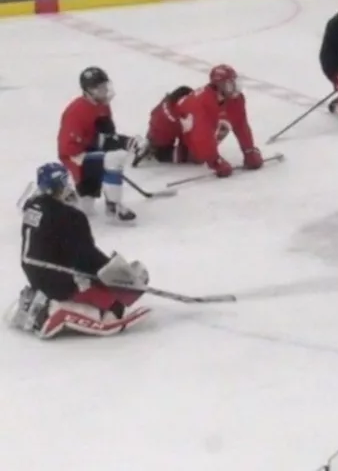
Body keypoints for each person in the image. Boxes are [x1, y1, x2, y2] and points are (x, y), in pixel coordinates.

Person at [6, 163, 151, 339]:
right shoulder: (71, 217)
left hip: (34, 273)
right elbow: (85, 257)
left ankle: (41, 300)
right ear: (59, 185)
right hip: (58, 279)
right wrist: (112, 273)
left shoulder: (32, 206)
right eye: (65, 182)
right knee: (112, 304)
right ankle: (56, 308)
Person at [142, 66, 264, 177]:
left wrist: (249, 150)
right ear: (219, 86)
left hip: (187, 123)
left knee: (198, 155)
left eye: (235, 83)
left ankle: (183, 149)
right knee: (163, 152)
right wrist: (215, 161)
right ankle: (147, 147)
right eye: (230, 85)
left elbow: (241, 124)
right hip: (167, 119)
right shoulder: (202, 103)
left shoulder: (236, 100)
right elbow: (202, 136)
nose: (236, 88)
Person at [57, 66, 142, 223]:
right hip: (74, 155)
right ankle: (113, 207)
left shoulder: (102, 105)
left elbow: (106, 135)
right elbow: (71, 146)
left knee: (86, 208)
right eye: (100, 88)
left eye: (105, 86)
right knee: (114, 158)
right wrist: (116, 143)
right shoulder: (76, 111)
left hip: (89, 152)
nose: (105, 90)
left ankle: (107, 202)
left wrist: (124, 141)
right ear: (89, 90)